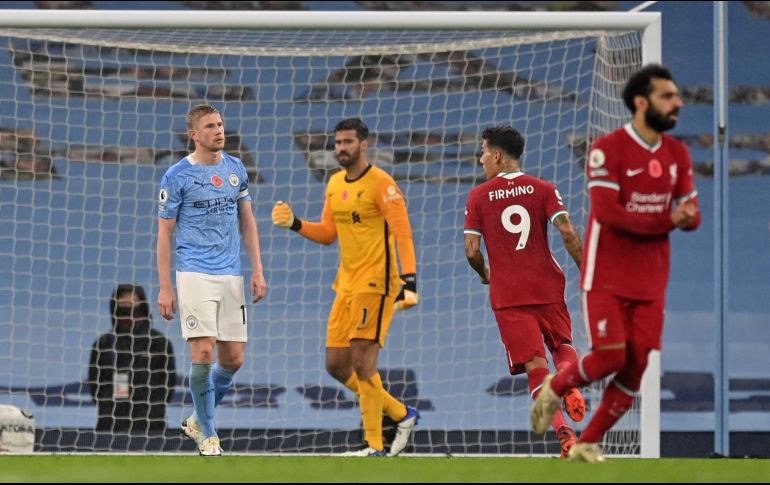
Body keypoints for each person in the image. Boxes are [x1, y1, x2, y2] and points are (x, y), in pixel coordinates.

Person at [531, 64, 701, 462]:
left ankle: (587, 441)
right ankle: (555, 389)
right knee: (611, 356)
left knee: (637, 364)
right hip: (606, 275)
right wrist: (668, 220)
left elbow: (691, 213)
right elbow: (609, 213)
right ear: (641, 102)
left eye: (676, 95)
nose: (677, 102)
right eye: (667, 95)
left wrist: (689, 217)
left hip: (651, 279)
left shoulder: (678, 154)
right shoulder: (607, 149)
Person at [271, 117, 420, 457]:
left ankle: (374, 445)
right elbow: (327, 234)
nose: (341, 148)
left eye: (348, 142)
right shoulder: (335, 183)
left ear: (364, 144)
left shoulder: (382, 184)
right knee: (336, 364)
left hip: (378, 284)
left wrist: (409, 283)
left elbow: (403, 234)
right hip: (346, 285)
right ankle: (401, 414)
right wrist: (295, 223)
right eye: (337, 143)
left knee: (363, 362)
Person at [463, 126, 587, 459]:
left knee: (536, 369)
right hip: (547, 285)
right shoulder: (545, 189)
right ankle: (570, 380)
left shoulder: (477, 196)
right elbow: (568, 232)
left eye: (484, 152)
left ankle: (565, 437)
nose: (481, 158)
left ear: (498, 155)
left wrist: (484, 274)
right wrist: (588, 270)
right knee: (562, 346)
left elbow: (472, 251)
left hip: (509, 296)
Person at [156, 104, 267, 457]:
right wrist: (165, 285)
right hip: (193, 273)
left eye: (220, 124)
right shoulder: (176, 176)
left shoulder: (236, 168)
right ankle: (208, 435)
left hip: (230, 274)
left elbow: (248, 222)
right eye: (209, 126)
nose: (218, 130)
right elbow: (164, 234)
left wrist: (258, 269)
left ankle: (195, 420)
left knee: (233, 359)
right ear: (194, 134)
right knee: (203, 352)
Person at [88, 283, 176, 434]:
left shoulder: (159, 343)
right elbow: (95, 388)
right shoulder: (103, 344)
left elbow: (168, 388)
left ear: (143, 309)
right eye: (123, 309)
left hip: (151, 426)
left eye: (134, 309)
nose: (129, 315)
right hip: (109, 426)